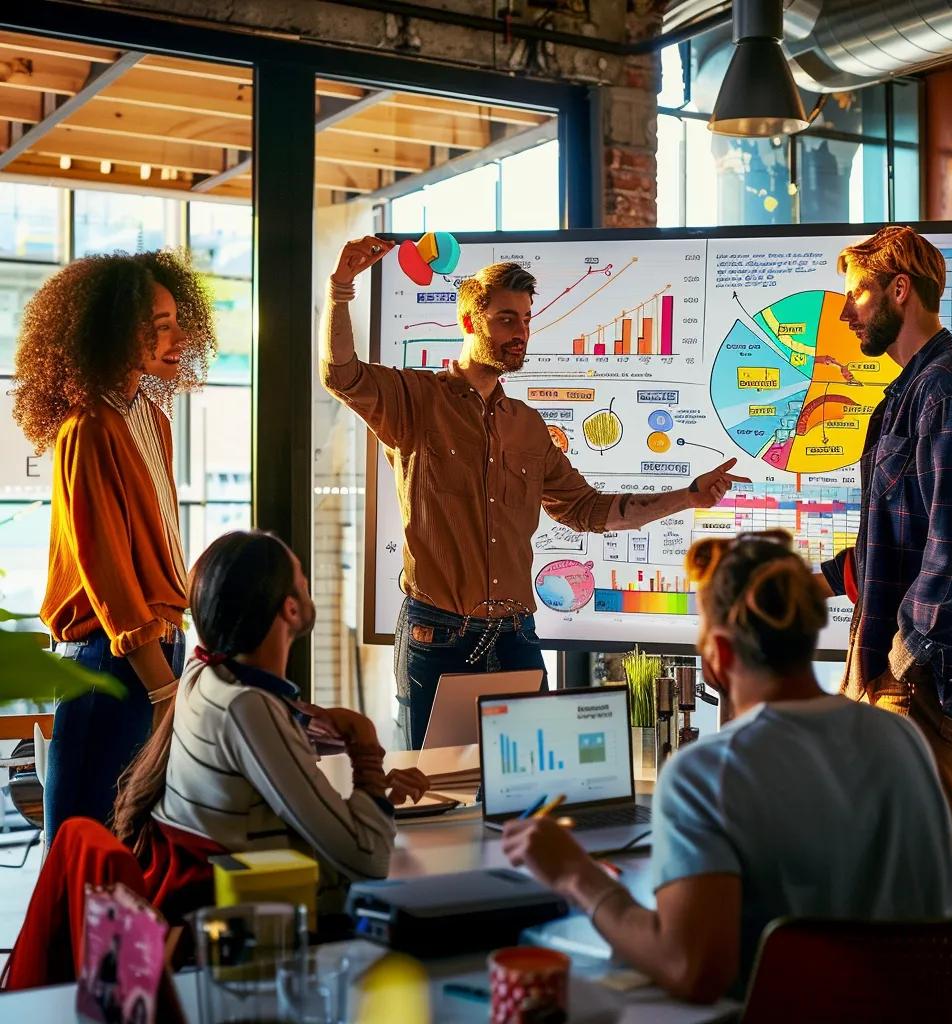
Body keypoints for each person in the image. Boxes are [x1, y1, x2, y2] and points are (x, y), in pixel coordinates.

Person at [320, 237, 749, 747]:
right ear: (468, 323)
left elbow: (588, 510)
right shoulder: (414, 400)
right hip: (437, 637)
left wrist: (689, 496)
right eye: (506, 319)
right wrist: (341, 288)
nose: (521, 332)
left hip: (517, 635)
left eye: (525, 319)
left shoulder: (527, 426)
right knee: (434, 790)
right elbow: (340, 373)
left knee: (530, 788)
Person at [503, 531, 952, 1004]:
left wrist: (574, 874)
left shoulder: (706, 774)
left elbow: (692, 970)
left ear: (717, 655)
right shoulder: (902, 740)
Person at [813, 225, 952, 867]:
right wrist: (814, 580)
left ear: (900, 291)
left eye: (856, 295)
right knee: (897, 856)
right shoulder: (912, 392)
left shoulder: (948, 390)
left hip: (920, 676)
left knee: (946, 860)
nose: (845, 313)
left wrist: (903, 659)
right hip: (896, 668)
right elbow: (899, 538)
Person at [112, 530, 428, 920]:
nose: (308, 583)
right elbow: (370, 860)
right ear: (290, 610)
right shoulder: (248, 709)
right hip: (253, 927)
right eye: (302, 580)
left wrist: (375, 796)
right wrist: (365, 747)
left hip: (208, 901)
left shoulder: (204, 673)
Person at [11, 250, 217, 846]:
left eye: (179, 320)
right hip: (113, 661)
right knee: (84, 848)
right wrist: (162, 687)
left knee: (135, 846)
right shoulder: (88, 428)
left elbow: (157, 552)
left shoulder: (151, 417)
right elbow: (108, 575)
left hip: (160, 652)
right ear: (113, 331)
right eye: (160, 326)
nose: (178, 336)